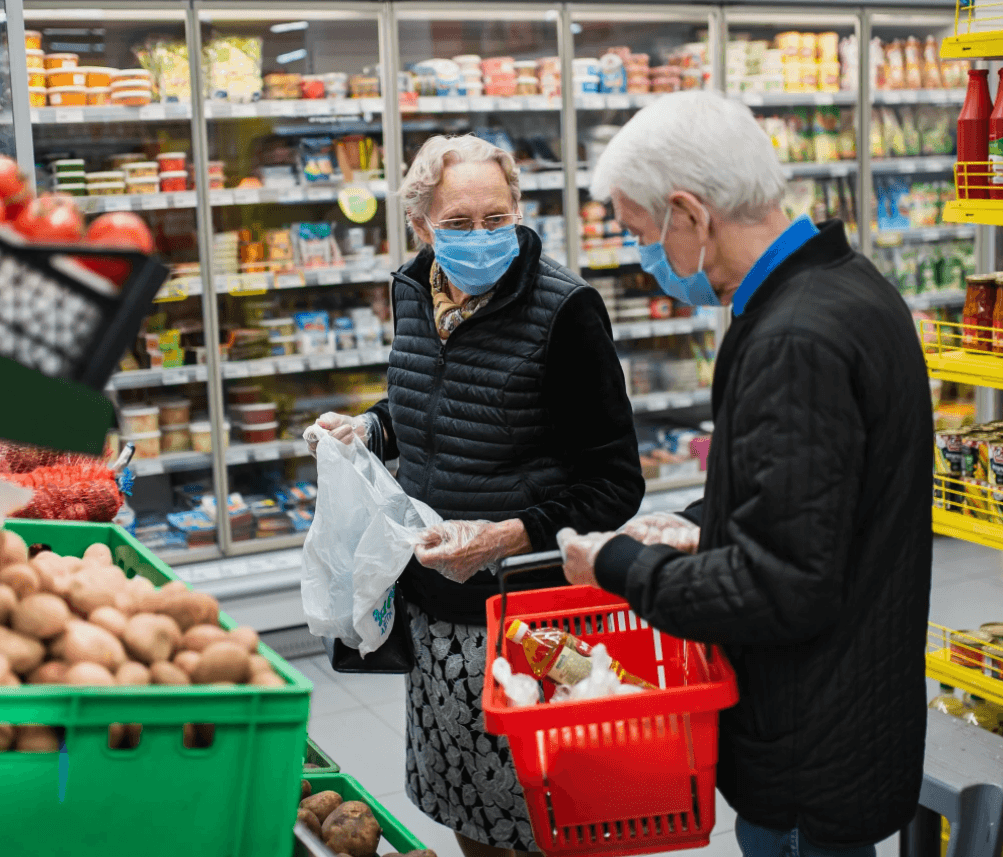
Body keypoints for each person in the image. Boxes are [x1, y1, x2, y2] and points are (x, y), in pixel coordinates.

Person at [558, 91, 932, 857]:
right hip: (855, 711)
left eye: (640, 233)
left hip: (805, 749)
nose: (644, 257)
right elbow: (818, 495)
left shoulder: (792, 337)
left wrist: (618, 564)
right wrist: (702, 524)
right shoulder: (848, 285)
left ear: (689, 214)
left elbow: (779, 586)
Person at [306, 134, 644, 857]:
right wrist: (368, 427)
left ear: (519, 210)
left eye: (497, 218)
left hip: (533, 624)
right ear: (420, 225)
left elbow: (615, 483)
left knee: (547, 817)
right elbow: (431, 407)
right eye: (458, 224)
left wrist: (509, 533)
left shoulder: (566, 311)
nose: (482, 238)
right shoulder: (414, 291)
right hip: (437, 611)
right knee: (468, 812)